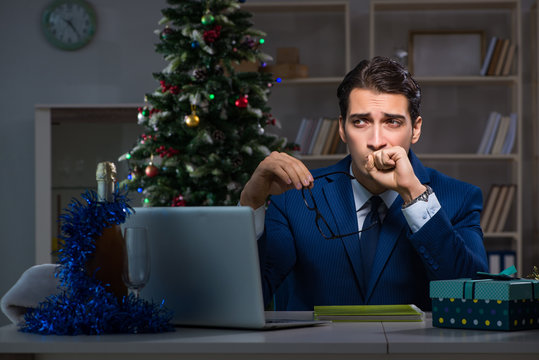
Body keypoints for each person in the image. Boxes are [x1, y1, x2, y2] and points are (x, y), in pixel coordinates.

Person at [240, 56, 488, 311]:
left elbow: (475, 301)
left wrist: (414, 195)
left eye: (392, 122)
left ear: (415, 129)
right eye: (361, 122)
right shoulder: (294, 197)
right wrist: (251, 204)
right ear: (342, 129)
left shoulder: (459, 198)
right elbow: (247, 298)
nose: (377, 140)